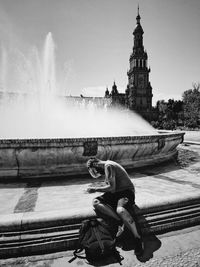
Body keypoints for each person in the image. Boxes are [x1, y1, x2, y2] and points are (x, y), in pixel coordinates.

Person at [86, 157, 144, 257]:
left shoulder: (109, 166)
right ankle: (120, 222)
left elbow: (111, 188)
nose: (96, 174)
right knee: (96, 202)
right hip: (116, 193)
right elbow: (112, 188)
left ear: (95, 165)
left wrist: (94, 189)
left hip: (126, 192)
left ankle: (137, 238)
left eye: (94, 171)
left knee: (120, 210)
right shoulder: (107, 166)